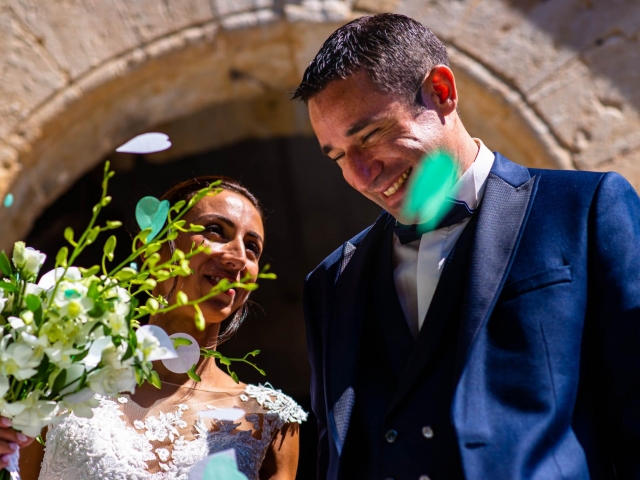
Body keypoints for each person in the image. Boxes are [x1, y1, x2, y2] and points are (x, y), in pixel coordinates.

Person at [294, 13, 640, 480]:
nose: (360, 176)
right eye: (337, 156)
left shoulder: (586, 209)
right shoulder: (330, 282)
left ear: (441, 91)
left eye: (370, 135)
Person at [18, 176, 306, 480]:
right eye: (215, 230)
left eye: (252, 248)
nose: (237, 257)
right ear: (151, 249)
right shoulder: (59, 379)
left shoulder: (269, 420)